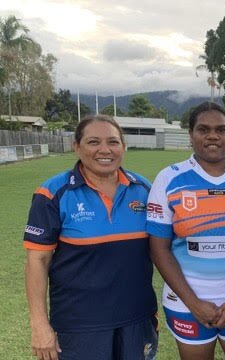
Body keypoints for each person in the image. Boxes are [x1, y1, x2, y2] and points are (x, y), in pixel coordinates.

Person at [24, 115, 158, 360]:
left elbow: (163, 249)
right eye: (93, 142)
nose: (104, 150)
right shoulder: (52, 193)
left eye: (113, 142)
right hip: (78, 326)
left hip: (137, 320)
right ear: (76, 147)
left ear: (123, 147)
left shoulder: (145, 190)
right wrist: (39, 325)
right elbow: (37, 261)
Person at [146, 102, 225, 360]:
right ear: (190, 136)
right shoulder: (168, 180)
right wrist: (194, 304)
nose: (212, 135)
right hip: (185, 303)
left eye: (220, 129)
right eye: (203, 129)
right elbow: (159, 249)